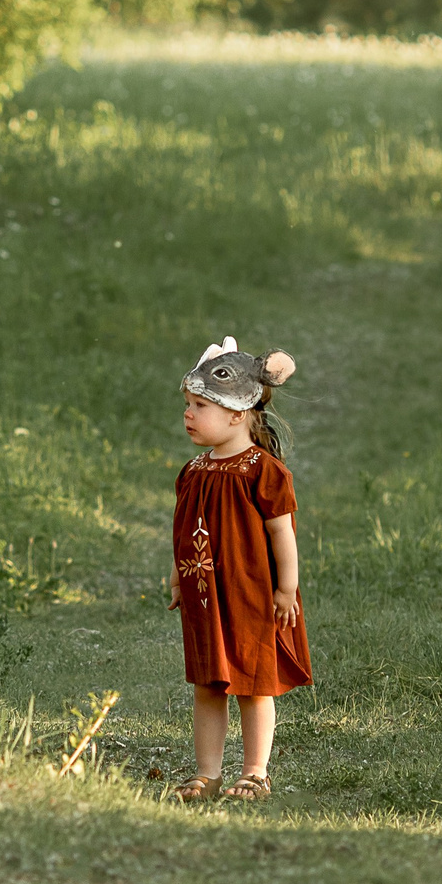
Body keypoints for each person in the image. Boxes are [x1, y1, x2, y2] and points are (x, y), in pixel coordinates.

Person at [167, 337, 311, 803]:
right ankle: (207, 774)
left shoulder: (262, 471)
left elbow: (282, 533)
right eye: (188, 404)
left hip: (252, 595)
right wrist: (177, 576)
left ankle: (255, 773)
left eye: (201, 405)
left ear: (236, 413)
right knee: (208, 684)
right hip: (206, 597)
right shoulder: (194, 471)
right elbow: (184, 528)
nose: (188, 414)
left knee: (253, 685)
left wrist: (286, 589)